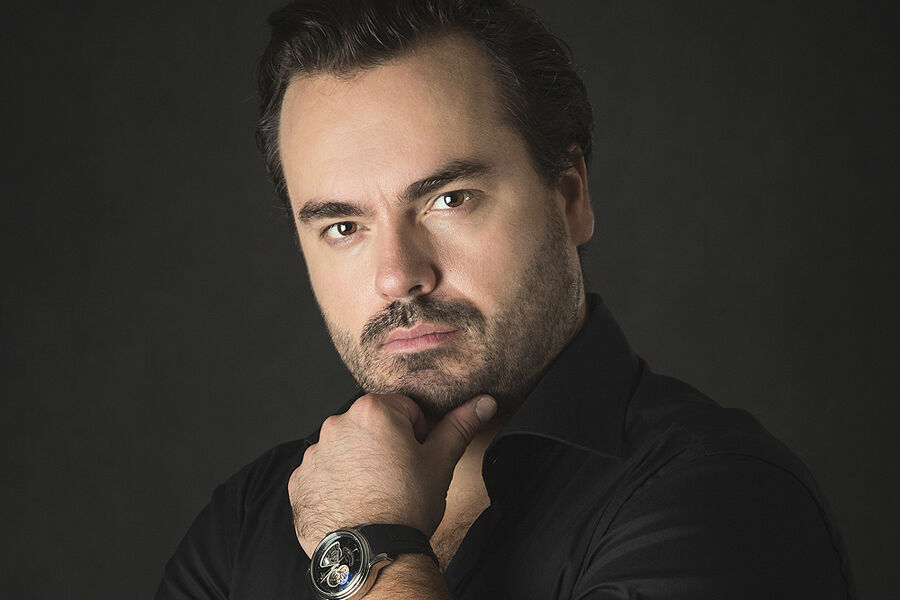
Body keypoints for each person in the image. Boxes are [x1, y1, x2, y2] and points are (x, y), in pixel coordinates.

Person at [156, 1, 855, 598]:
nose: (397, 276)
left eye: (449, 199)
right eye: (343, 226)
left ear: (570, 197)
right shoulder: (246, 523)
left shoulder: (728, 498)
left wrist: (367, 545)